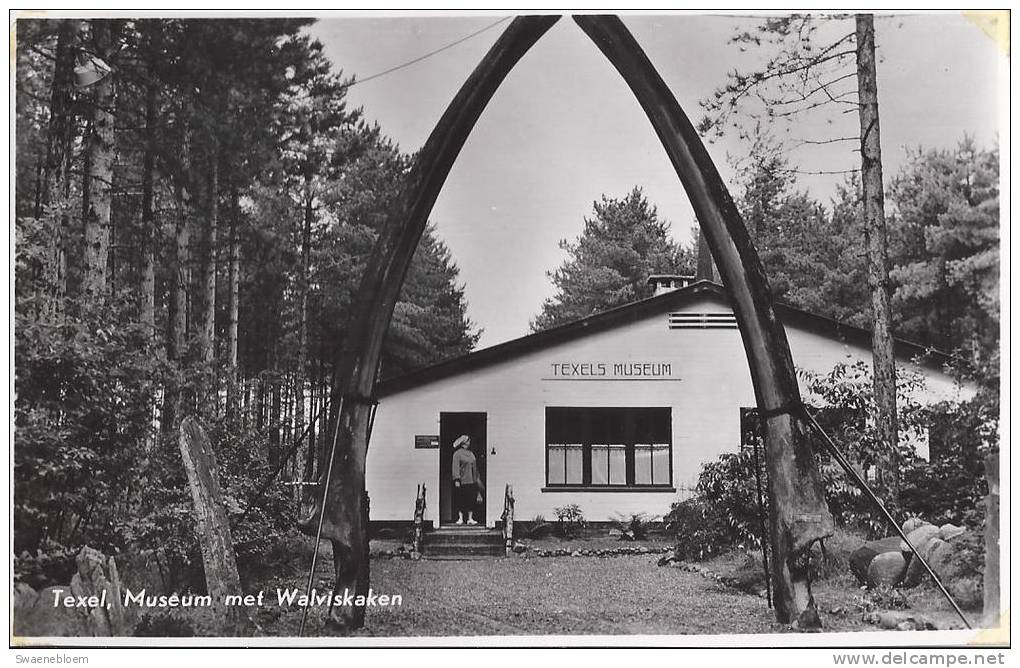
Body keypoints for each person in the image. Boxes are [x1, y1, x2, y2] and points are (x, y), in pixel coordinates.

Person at [451, 434, 483, 525]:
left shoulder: (471, 454)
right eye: (468, 441)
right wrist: (456, 479)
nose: (469, 442)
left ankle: (470, 518)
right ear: (464, 442)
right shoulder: (457, 454)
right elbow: (455, 467)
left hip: (472, 480)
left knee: (471, 499)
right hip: (462, 481)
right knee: (460, 499)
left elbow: (475, 467)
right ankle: (460, 518)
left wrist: (477, 478)